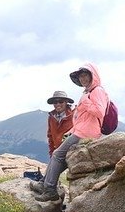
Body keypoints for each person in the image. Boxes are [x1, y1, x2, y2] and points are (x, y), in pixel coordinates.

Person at [32, 63, 109, 202]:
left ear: (93, 75)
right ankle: (45, 184)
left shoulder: (97, 91)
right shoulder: (88, 92)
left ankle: (49, 190)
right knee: (61, 158)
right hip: (81, 131)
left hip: (86, 133)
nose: (83, 79)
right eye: (81, 77)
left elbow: (99, 112)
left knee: (57, 155)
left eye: (85, 75)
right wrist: (72, 130)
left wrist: (85, 102)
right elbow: (83, 118)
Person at [45, 90, 75, 158]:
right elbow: (50, 137)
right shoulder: (51, 118)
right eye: (55, 102)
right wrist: (52, 153)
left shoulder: (74, 115)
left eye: (61, 101)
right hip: (58, 153)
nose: (58, 104)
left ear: (66, 102)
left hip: (72, 152)